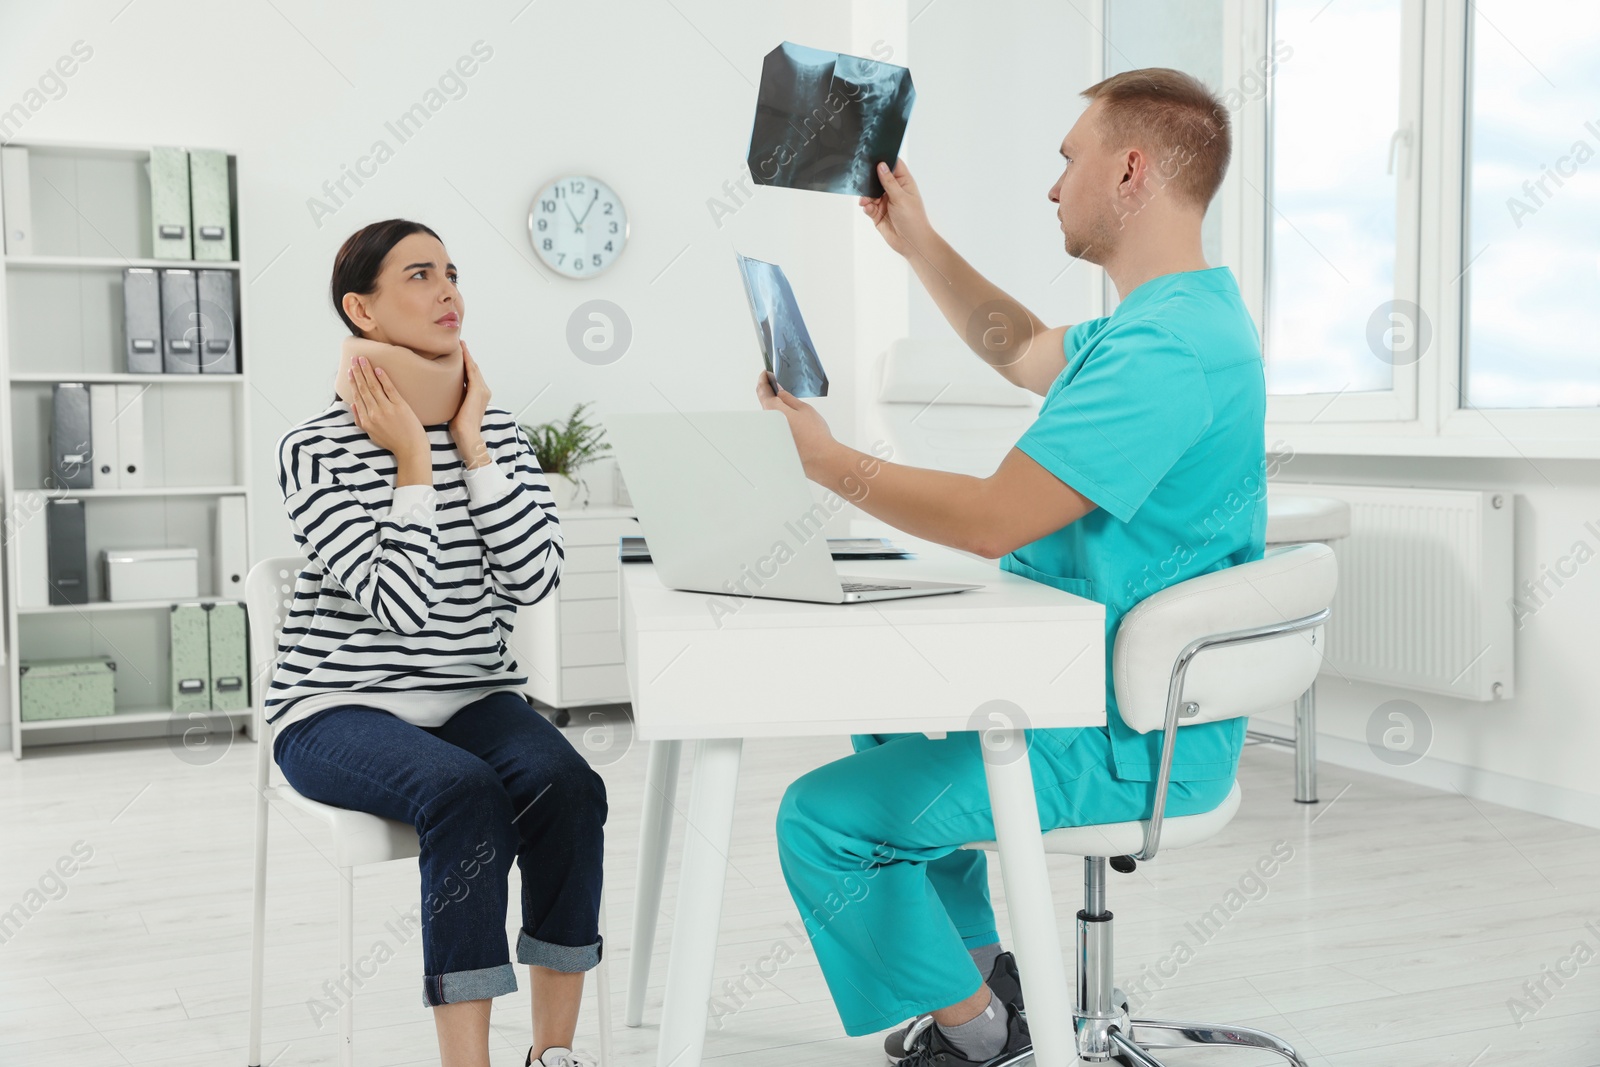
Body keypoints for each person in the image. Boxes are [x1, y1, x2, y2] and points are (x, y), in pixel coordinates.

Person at [756, 68, 1267, 1067]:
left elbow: (996, 518)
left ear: (1130, 171)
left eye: (1067, 159)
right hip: (1087, 685)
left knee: (821, 818)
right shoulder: (1165, 323)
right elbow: (1024, 347)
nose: (1052, 185)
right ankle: (988, 976)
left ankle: (977, 1033)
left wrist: (829, 463)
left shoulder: (1166, 353)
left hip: (1121, 736)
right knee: (889, 706)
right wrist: (917, 241)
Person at [267, 218, 606, 1067]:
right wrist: (412, 460)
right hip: (335, 707)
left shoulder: (502, 438)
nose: (449, 290)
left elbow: (534, 580)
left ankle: (554, 1053)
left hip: (475, 696)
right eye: (420, 275)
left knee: (569, 785)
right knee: (464, 793)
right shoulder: (313, 449)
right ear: (362, 310)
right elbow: (404, 607)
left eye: (452, 271)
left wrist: (474, 448)